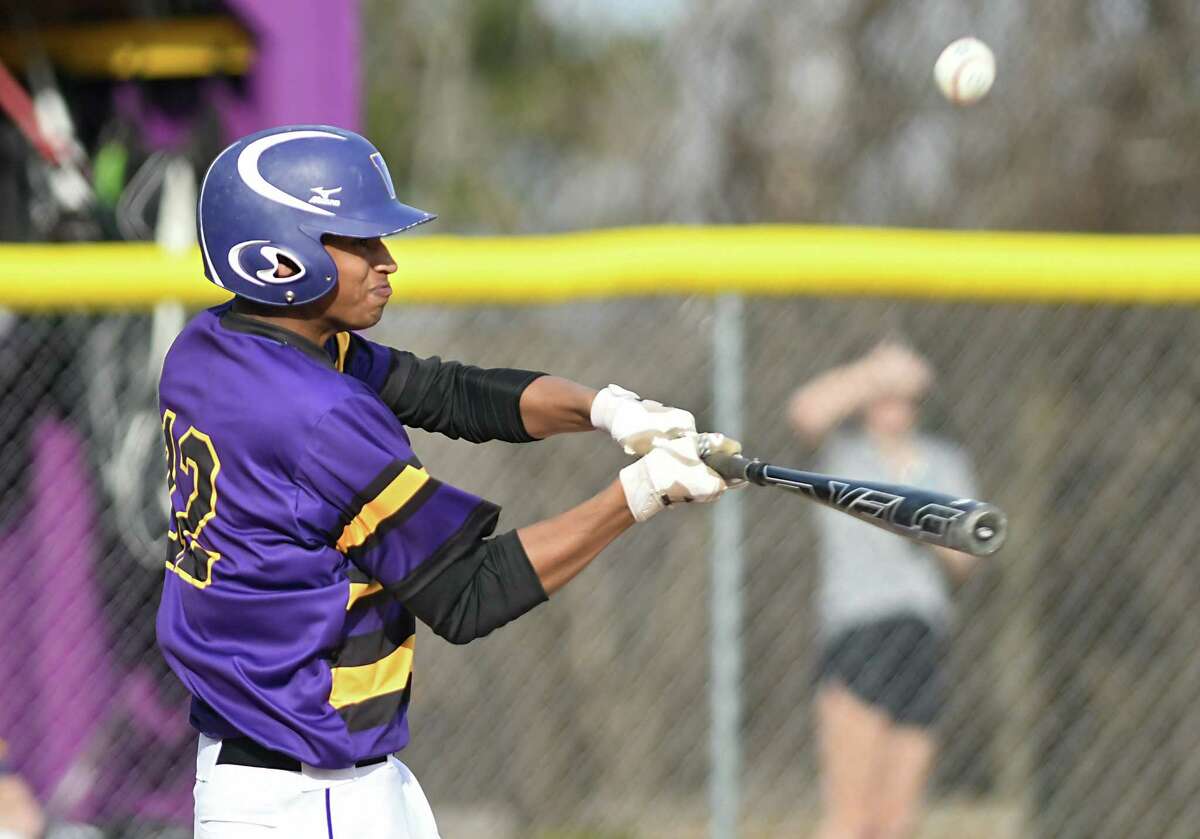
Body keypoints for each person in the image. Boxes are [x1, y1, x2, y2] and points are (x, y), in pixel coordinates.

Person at [156, 125, 735, 839]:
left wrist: (609, 410)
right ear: (280, 256)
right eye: (358, 242)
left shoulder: (208, 348)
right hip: (315, 792)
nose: (386, 261)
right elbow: (468, 594)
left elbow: (446, 393)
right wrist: (640, 494)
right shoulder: (318, 417)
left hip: (266, 769)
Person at [788, 341, 982, 839]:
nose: (894, 403)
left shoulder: (942, 462)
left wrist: (924, 521)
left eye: (903, 394)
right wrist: (876, 372)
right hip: (859, 629)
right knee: (852, 819)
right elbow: (805, 412)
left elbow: (965, 561)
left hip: (921, 633)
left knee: (897, 822)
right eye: (883, 394)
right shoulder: (845, 458)